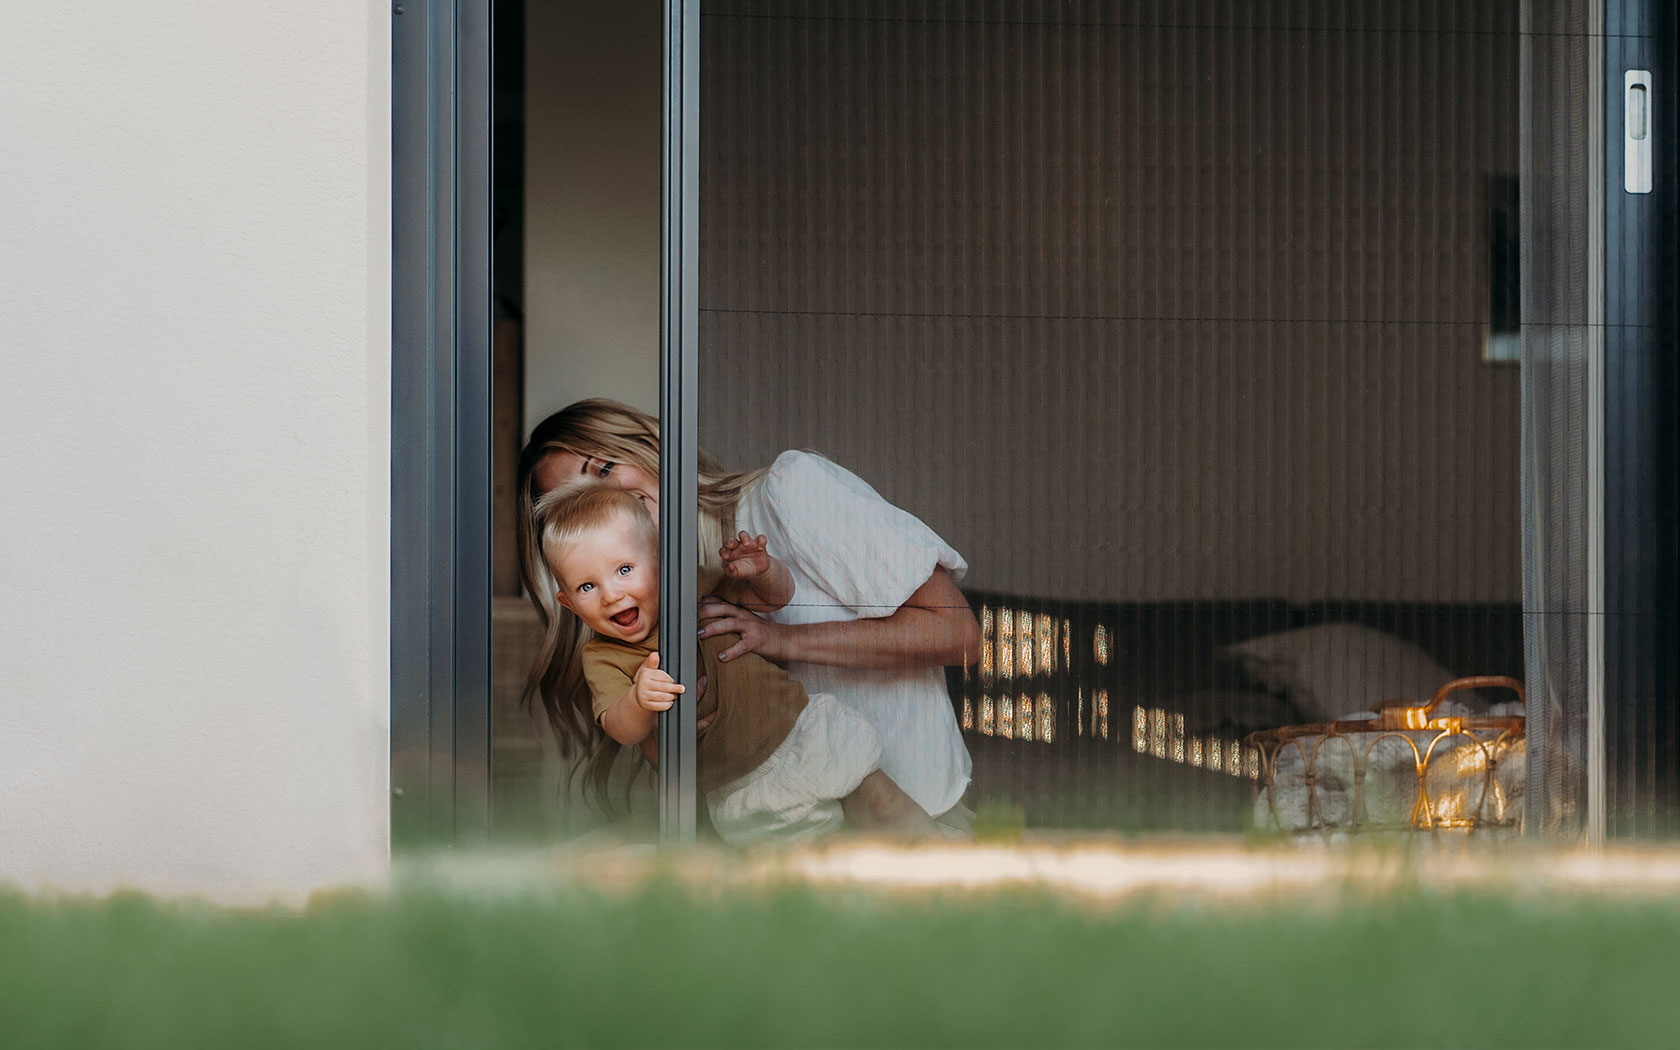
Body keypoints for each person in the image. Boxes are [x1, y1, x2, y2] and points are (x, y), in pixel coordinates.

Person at [516, 398, 980, 832]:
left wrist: (779, 640)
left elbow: (959, 634)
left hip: (913, 824)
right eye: (574, 502)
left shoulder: (789, 491)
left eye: (604, 469)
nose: (603, 503)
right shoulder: (640, 615)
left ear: (645, 445)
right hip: (797, 839)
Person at [536, 480, 937, 843]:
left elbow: (774, 600)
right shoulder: (604, 656)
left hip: (802, 727)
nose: (611, 594)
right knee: (819, 860)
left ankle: (959, 882)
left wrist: (762, 572)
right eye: (587, 586)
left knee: (888, 808)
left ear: (659, 560)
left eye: (624, 570)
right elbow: (620, 729)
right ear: (568, 602)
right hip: (745, 784)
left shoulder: (690, 586)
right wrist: (638, 701)